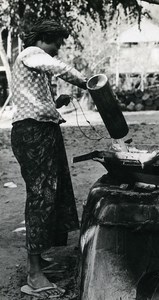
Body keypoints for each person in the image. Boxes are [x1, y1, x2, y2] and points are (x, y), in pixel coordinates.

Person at [10, 19, 87, 298]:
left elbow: (36, 104)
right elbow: (60, 67)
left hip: (42, 129)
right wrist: (86, 81)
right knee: (42, 195)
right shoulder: (31, 53)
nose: (58, 49)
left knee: (55, 192)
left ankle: (39, 258)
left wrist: (57, 104)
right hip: (33, 133)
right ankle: (34, 274)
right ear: (46, 38)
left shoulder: (34, 66)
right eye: (57, 43)